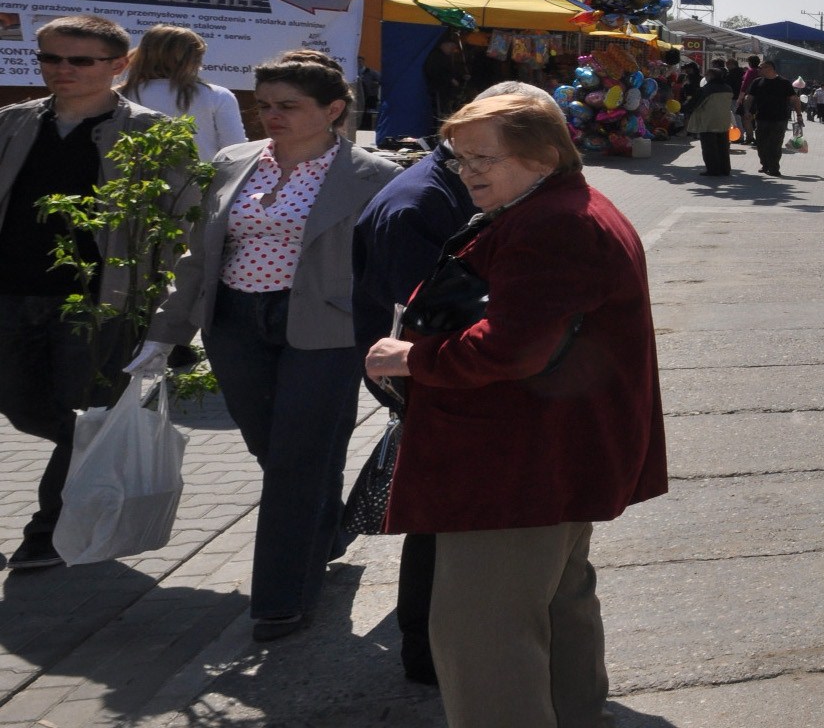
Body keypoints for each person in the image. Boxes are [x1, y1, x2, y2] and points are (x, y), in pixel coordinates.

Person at [364, 91, 666, 728]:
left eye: (485, 158)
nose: (468, 172)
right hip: (542, 455)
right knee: (555, 606)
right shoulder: (556, 207)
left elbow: (514, 346)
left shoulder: (552, 222)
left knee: (483, 636)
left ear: (544, 156)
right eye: (460, 158)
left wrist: (413, 358)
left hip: (514, 463)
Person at [139, 53, 402, 640]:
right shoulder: (233, 161)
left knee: (295, 460)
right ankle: (325, 531)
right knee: (275, 450)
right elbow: (199, 255)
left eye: (288, 106)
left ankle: (282, 597)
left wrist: (394, 342)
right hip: (235, 325)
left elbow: (389, 266)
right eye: (264, 105)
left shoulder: (373, 175)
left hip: (325, 331)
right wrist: (164, 333)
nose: (271, 116)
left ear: (333, 110)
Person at [351, 78, 538, 685]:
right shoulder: (419, 205)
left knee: (450, 514)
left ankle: (436, 644)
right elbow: (423, 318)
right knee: (442, 518)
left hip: (441, 373)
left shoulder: (451, 187)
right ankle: (429, 649)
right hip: (432, 378)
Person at [0, 16, 176, 569]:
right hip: (10, 292)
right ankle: (99, 454)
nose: (63, 70)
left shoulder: (150, 133)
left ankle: (49, 532)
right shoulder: (13, 122)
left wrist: (164, 311)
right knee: (26, 408)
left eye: (80, 60)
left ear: (119, 65)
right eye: (51, 58)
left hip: (101, 302)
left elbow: (176, 225)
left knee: (86, 410)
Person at [122, 24, 247, 162]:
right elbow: (237, 151)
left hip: (132, 175)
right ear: (194, 59)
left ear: (142, 54)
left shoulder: (119, 95)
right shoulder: (217, 95)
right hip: (202, 175)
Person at [680, 63, 739, 178]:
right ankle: (725, 169)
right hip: (723, 121)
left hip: (708, 121)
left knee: (709, 147)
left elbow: (695, 103)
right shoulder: (728, 88)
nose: (705, 77)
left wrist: (683, 108)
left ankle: (713, 169)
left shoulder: (706, 89)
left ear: (711, 76)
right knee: (723, 147)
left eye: (707, 75)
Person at [742, 59, 798, 175]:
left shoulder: (784, 82)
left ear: (769, 68)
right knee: (761, 144)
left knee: (775, 144)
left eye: (761, 67)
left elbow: (794, 99)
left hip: (780, 119)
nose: (758, 70)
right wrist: (747, 111)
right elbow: (749, 98)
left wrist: (799, 114)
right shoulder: (757, 82)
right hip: (761, 117)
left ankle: (774, 168)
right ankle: (765, 164)